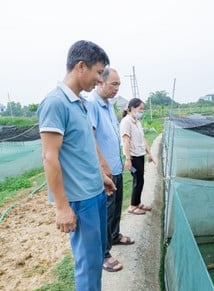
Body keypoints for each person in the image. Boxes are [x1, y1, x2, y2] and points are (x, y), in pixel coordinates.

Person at [37, 40, 116, 291]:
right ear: (81, 66)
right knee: (88, 264)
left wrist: (100, 176)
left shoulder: (80, 102)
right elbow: (50, 157)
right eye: (98, 72)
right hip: (81, 200)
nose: (100, 80)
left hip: (95, 192)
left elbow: (83, 147)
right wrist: (62, 207)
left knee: (96, 258)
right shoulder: (55, 103)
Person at [86, 67, 135, 273]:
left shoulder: (108, 105)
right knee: (105, 212)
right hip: (105, 171)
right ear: (100, 82)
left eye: (118, 85)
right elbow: (91, 137)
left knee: (115, 208)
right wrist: (103, 167)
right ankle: (104, 254)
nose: (117, 88)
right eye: (113, 84)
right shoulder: (92, 104)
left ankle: (115, 236)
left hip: (115, 167)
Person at [119, 98, 155, 215]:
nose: (142, 111)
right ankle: (132, 206)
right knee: (137, 179)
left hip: (140, 155)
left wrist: (149, 153)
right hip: (133, 157)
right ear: (132, 108)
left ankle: (138, 203)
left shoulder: (137, 122)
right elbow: (126, 141)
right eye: (140, 109)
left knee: (141, 179)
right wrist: (128, 159)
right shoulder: (126, 122)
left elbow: (143, 139)